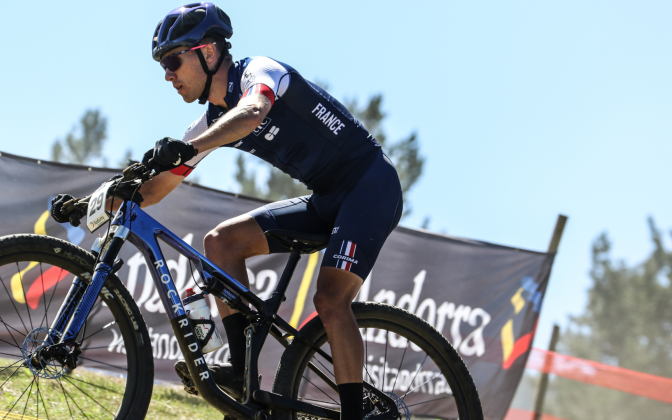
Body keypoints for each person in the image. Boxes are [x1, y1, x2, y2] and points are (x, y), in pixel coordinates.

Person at [118, 3, 402, 418]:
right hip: (327, 197)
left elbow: (253, 112)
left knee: (330, 298)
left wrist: (192, 148)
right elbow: (157, 189)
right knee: (221, 243)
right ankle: (239, 369)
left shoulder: (259, 72)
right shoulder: (209, 124)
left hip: (370, 185)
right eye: (163, 65)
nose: (168, 74)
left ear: (209, 53)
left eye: (174, 60)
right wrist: (104, 199)